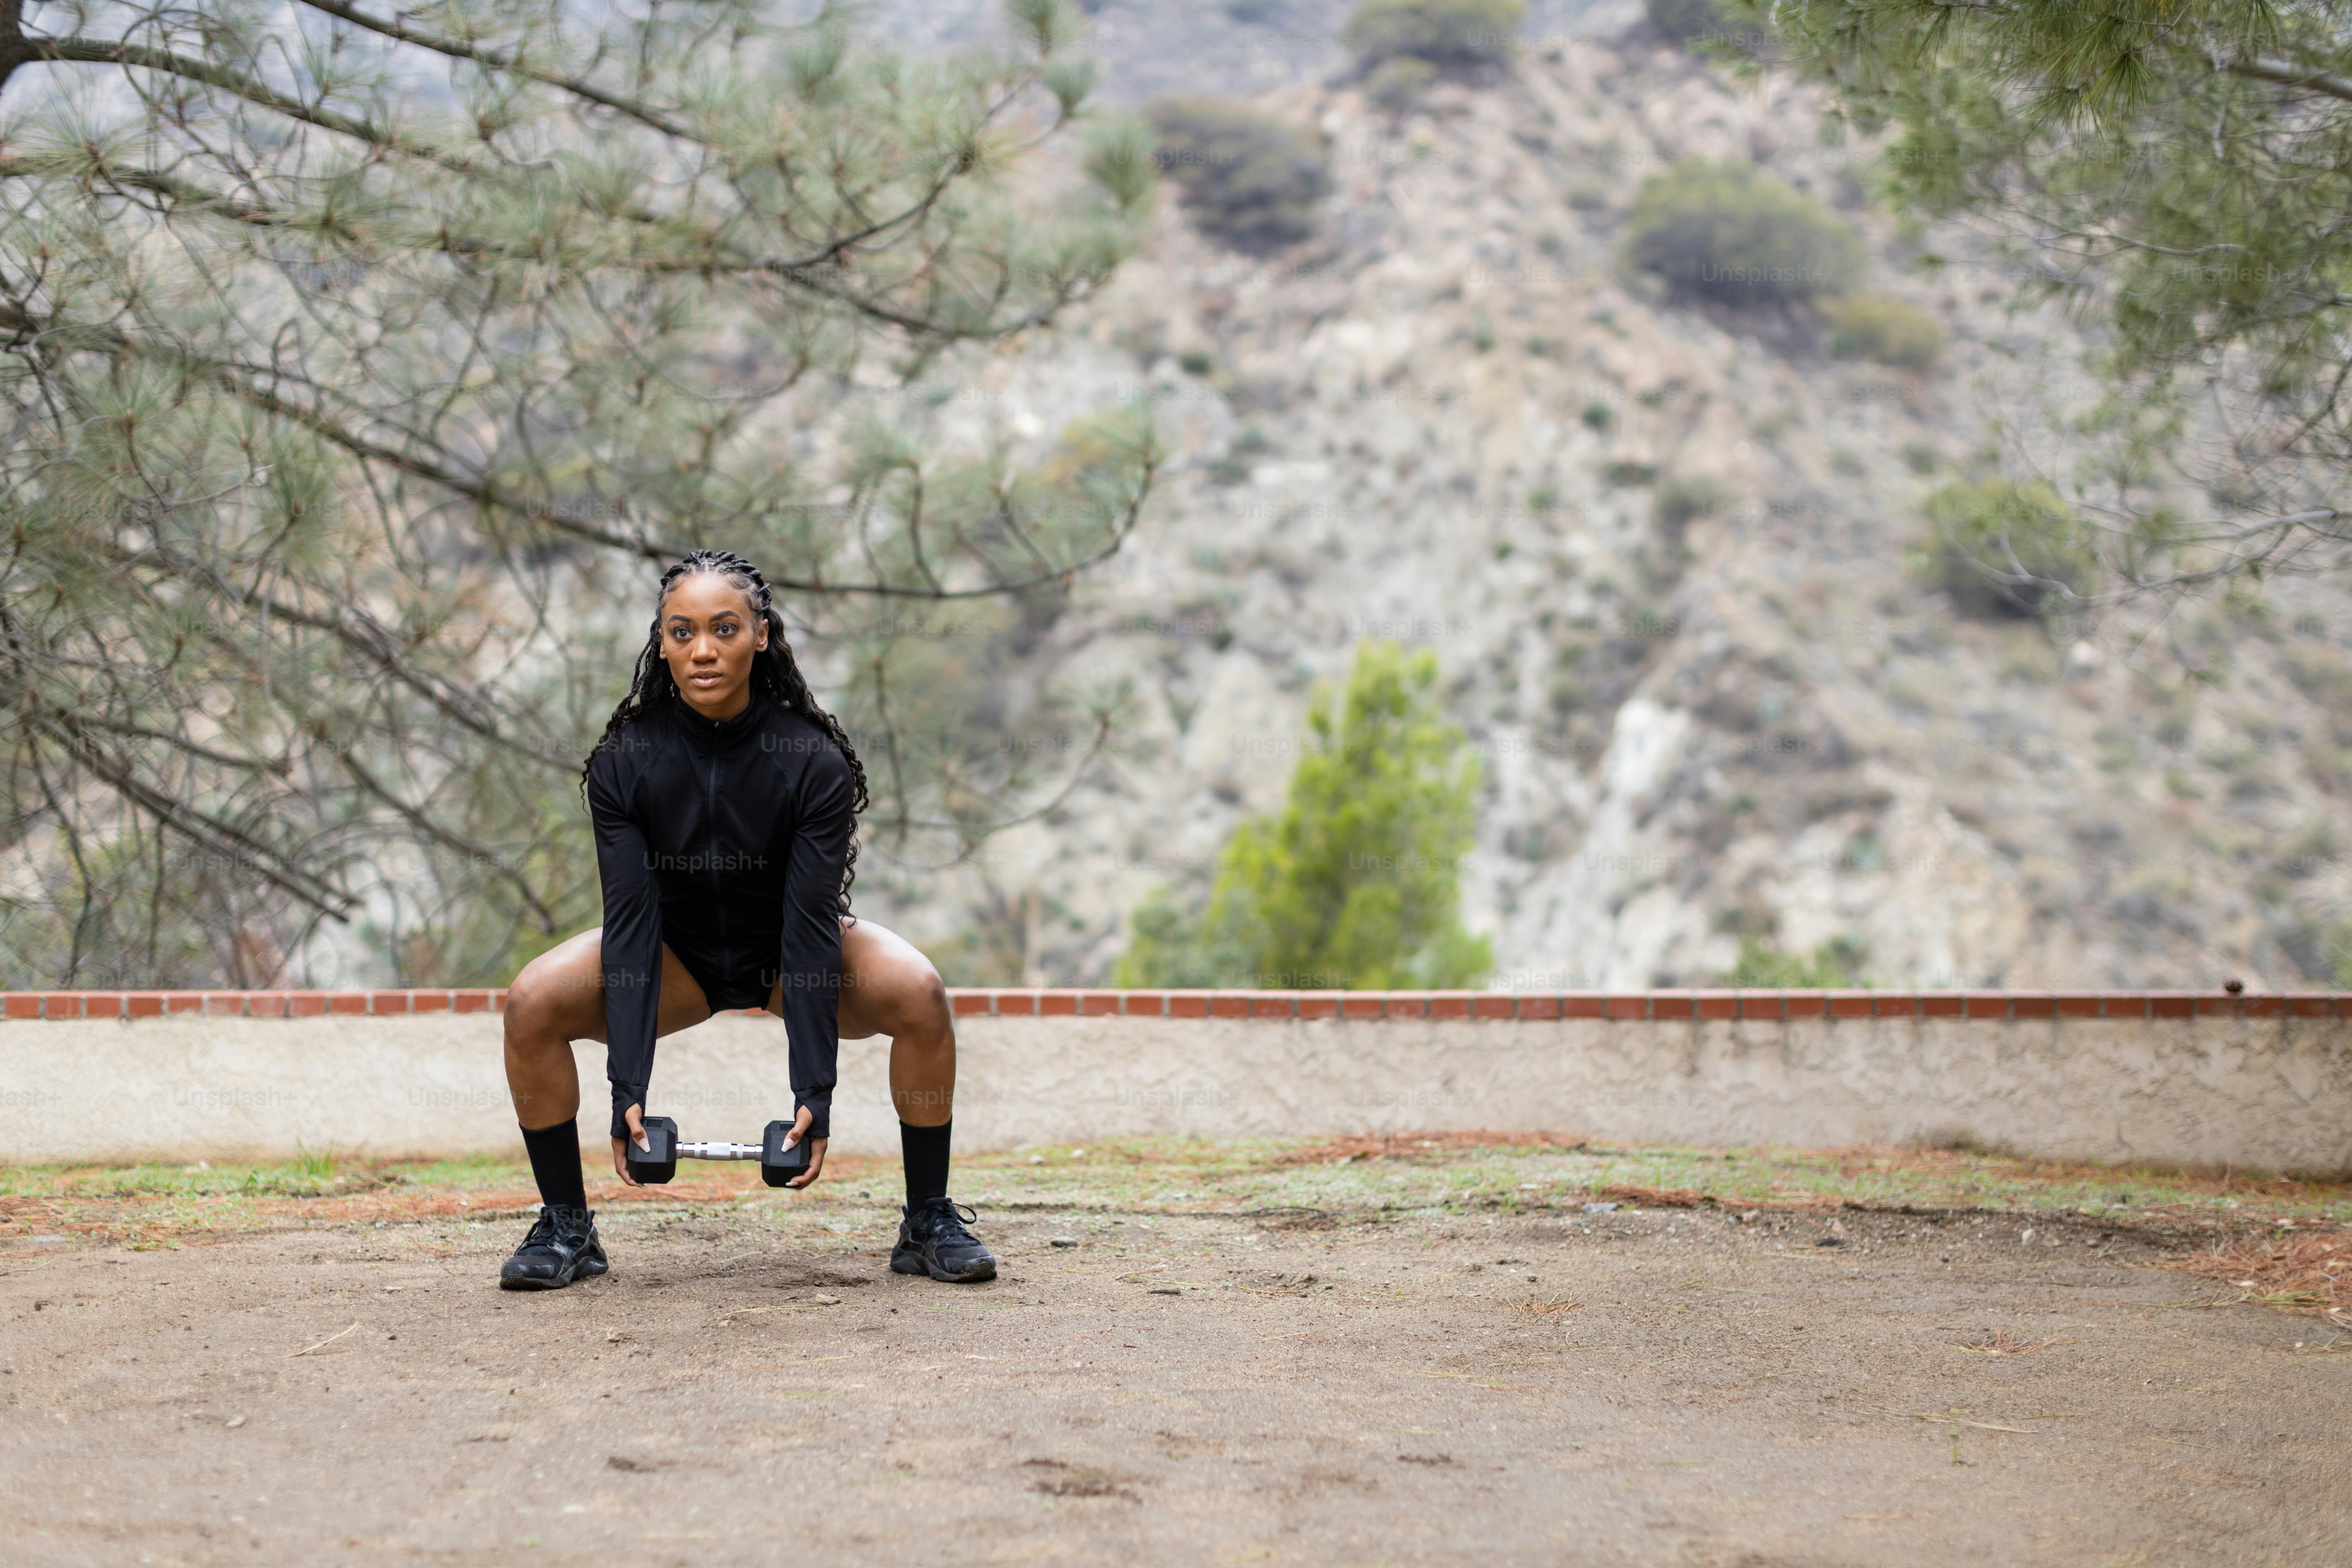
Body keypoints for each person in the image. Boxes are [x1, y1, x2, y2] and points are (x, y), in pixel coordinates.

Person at [494, 549, 994, 1290]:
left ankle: (928, 1220)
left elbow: (812, 925)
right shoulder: (625, 761)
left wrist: (813, 1094)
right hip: (677, 960)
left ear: (761, 635)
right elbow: (630, 923)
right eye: (683, 631)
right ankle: (566, 1226)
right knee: (531, 1001)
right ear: (662, 643)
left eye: (724, 629)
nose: (703, 649)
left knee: (920, 992)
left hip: (789, 957)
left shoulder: (811, 760)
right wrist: (628, 1089)